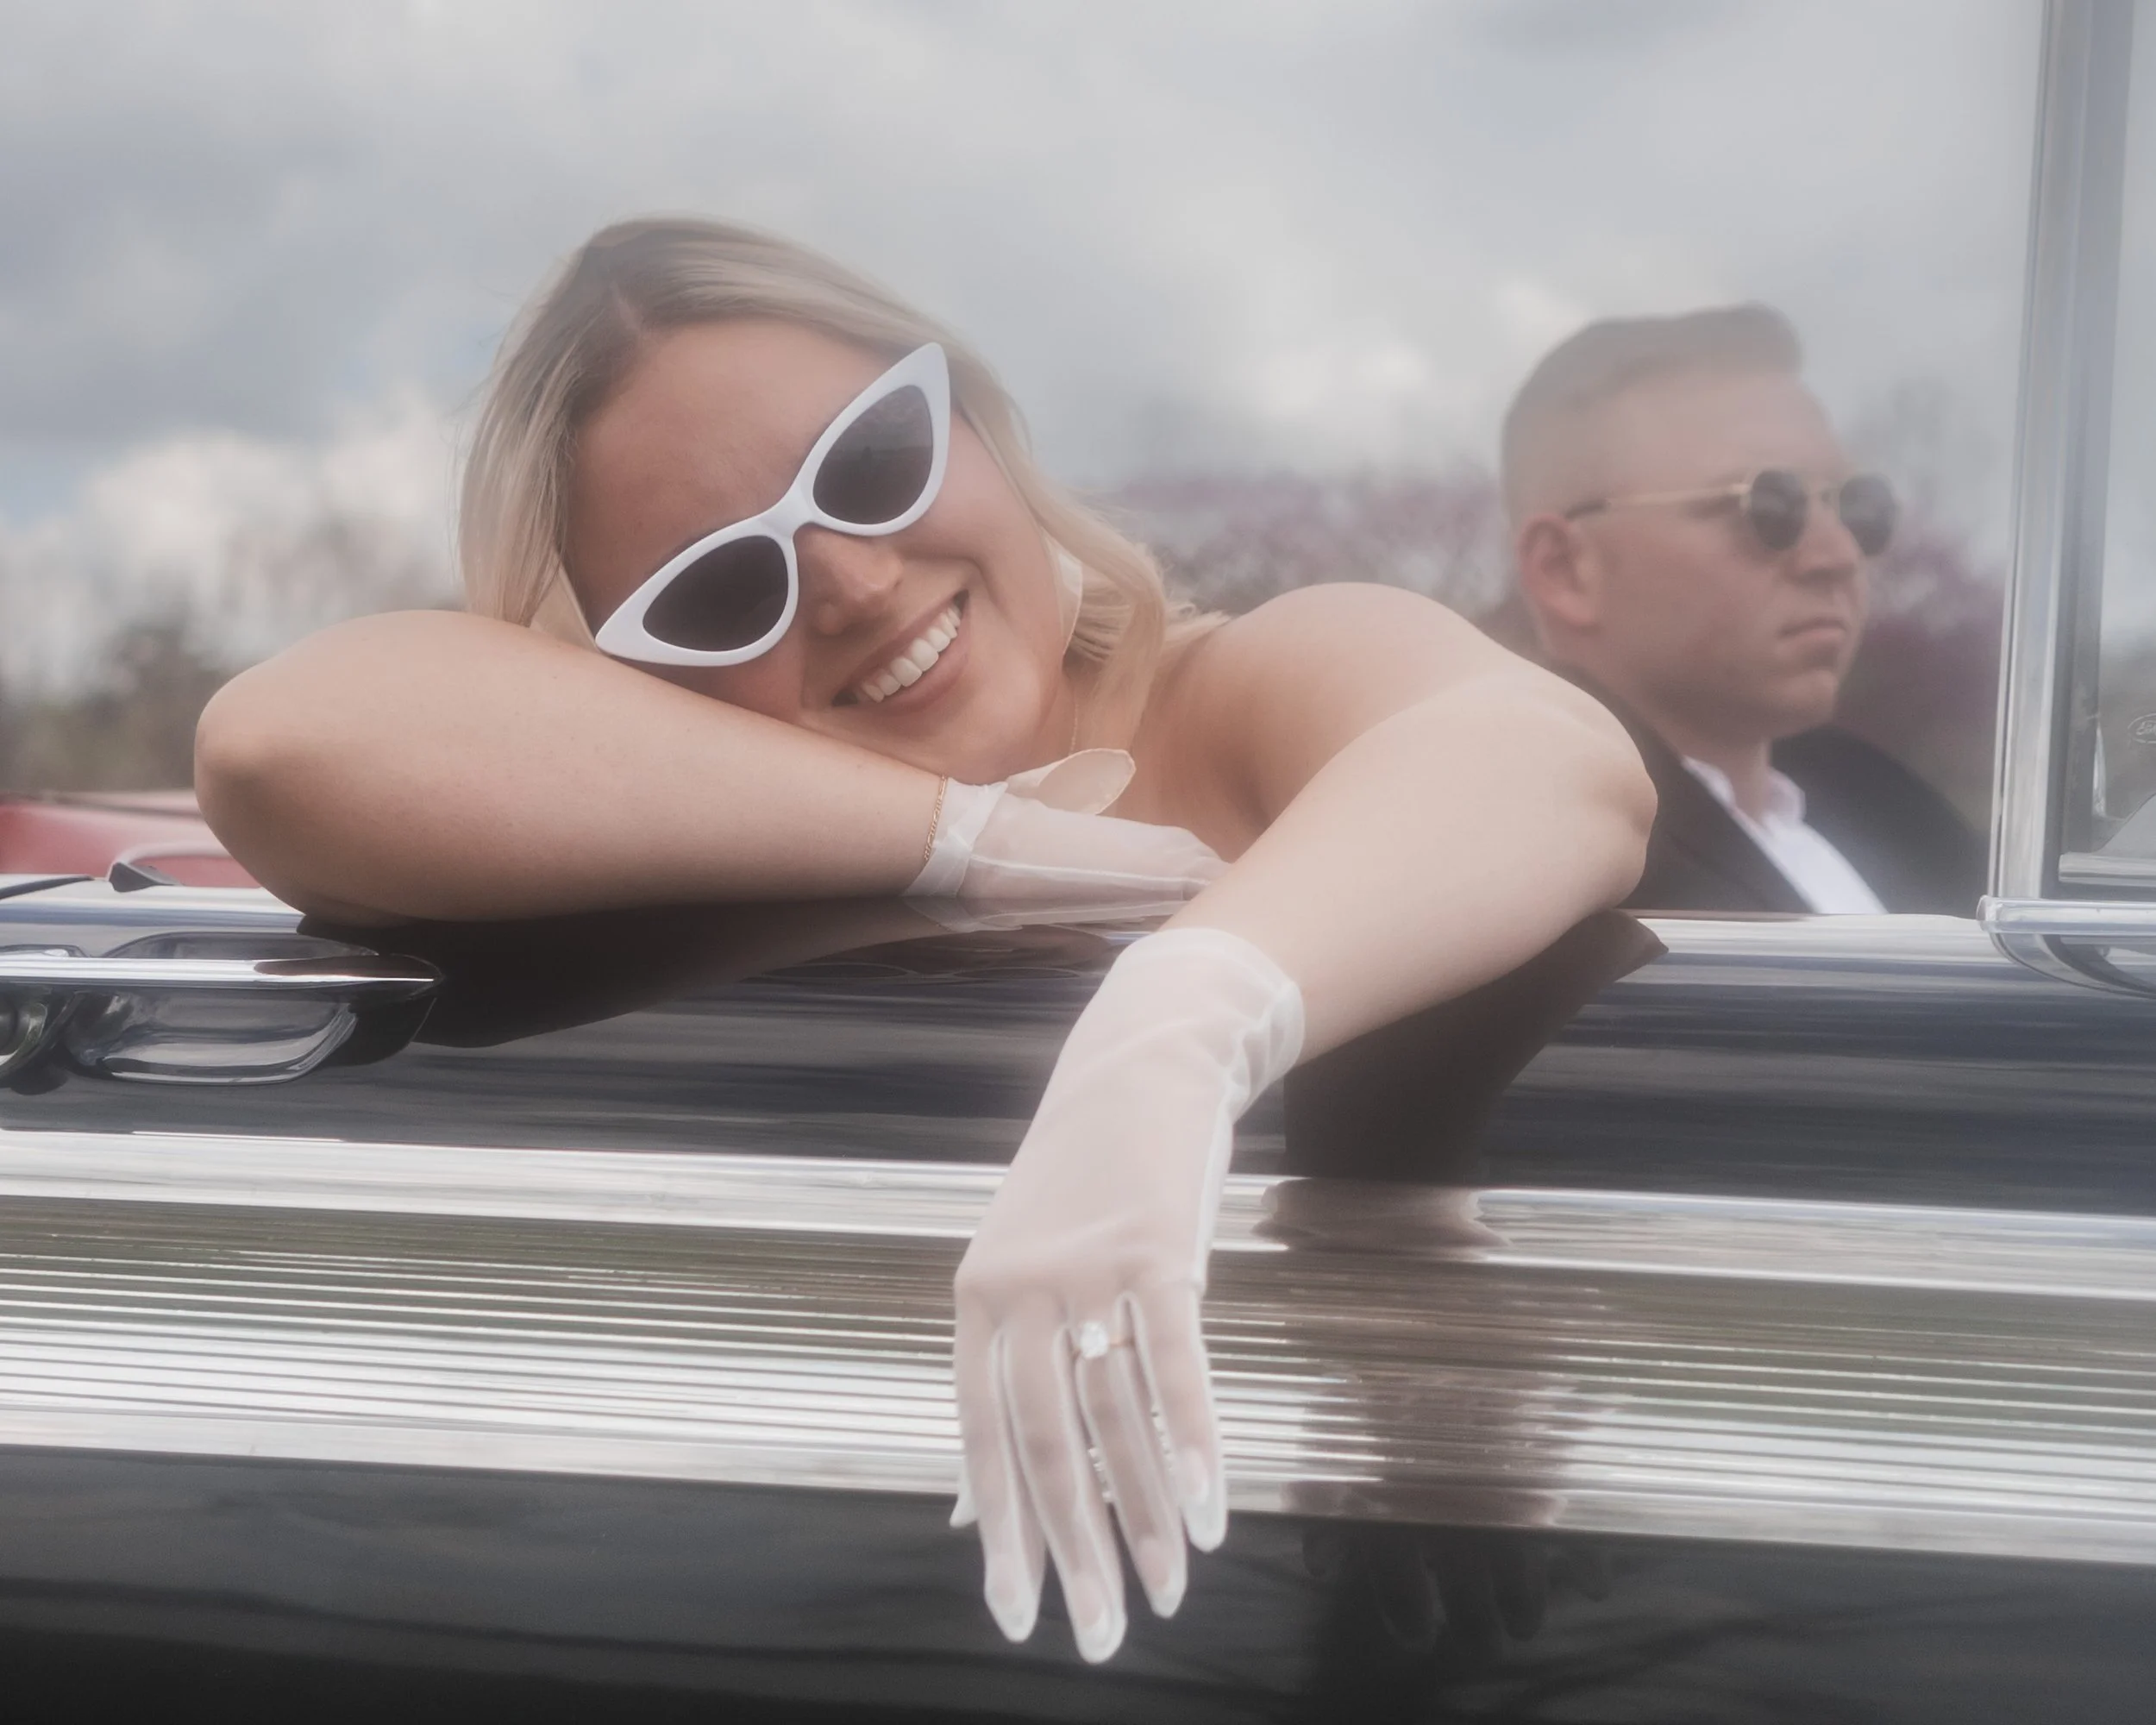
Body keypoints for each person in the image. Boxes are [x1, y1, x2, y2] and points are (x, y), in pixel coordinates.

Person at [193, 218, 1653, 1663]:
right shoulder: (687, 857)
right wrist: (979, 838)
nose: (852, 582)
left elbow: (1540, 757)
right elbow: (280, 747)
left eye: (872, 460)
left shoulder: (1245, 689)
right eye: (718, 589)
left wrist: (1184, 1015)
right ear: (632, 684)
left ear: (979, 419)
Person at [1503, 304, 1984, 916]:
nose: (1839, 555)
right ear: (1566, 569)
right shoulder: (1532, 883)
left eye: (1854, 504)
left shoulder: (1888, 806)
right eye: (1768, 505)